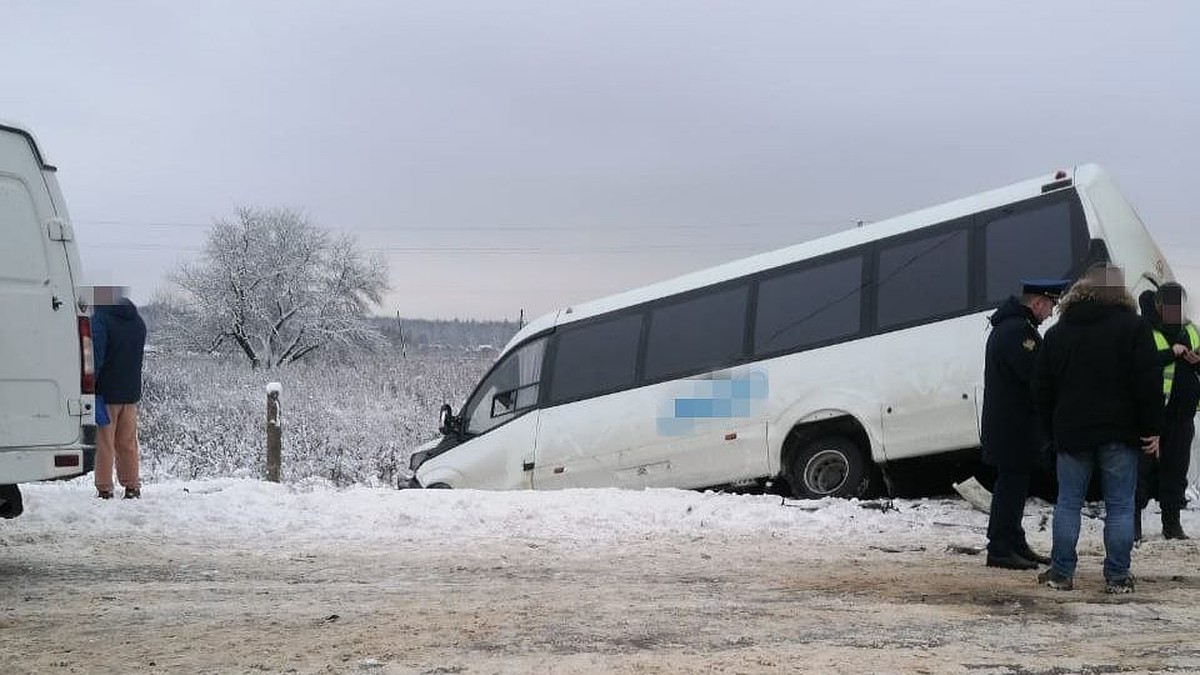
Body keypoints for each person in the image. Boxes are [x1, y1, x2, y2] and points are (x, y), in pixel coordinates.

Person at [1032, 263, 1162, 593]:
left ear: (1081, 289)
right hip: (1120, 432)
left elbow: (1042, 388)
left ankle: (1061, 573)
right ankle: (1117, 577)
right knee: (1119, 505)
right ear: (1120, 292)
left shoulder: (1058, 333)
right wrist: (1152, 428)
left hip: (1072, 432)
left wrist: (1052, 429)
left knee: (1068, 503)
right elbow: (1148, 382)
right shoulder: (1134, 328)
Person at [980, 278, 1069, 570]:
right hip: (1013, 426)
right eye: (1051, 306)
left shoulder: (1013, 327)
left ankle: (1013, 541)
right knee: (1011, 487)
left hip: (1011, 425)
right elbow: (1034, 376)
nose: (1051, 313)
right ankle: (1001, 548)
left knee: (1014, 486)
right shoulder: (1019, 331)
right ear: (1038, 302)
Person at [1136, 282, 1199, 540]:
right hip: (1151, 415)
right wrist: (1170, 354)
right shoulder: (1145, 330)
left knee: (1176, 471)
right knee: (1142, 471)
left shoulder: (1192, 330)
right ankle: (1133, 525)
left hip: (1182, 416)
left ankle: (1171, 523)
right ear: (1159, 306)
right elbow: (1141, 364)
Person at [92, 286, 147, 500]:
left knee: (104, 441)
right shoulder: (137, 322)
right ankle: (132, 486)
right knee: (127, 441)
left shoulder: (101, 320)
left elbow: (95, 355)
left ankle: (105, 487)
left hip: (105, 392)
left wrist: (89, 384)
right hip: (131, 392)